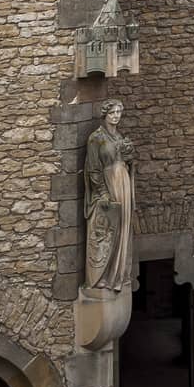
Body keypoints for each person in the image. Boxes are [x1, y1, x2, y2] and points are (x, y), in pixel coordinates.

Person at [83, 98, 135, 292]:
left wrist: (129, 156)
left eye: (118, 113)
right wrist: (102, 192)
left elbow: (127, 162)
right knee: (108, 229)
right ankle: (102, 276)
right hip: (109, 183)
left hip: (123, 183)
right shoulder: (96, 138)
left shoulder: (120, 137)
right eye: (112, 113)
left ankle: (118, 274)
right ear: (105, 114)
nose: (116, 116)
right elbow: (93, 168)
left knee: (122, 226)